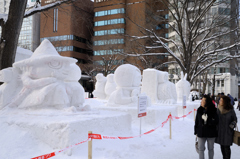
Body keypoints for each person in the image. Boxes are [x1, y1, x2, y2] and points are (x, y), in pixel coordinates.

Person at [194, 95, 219, 159]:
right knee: (201, 149)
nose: (201, 102)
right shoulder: (199, 110)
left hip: (211, 132)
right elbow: (197, 122)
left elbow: (216, 121)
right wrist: (196, 131)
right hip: (201, 132)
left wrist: (208, 120)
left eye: (203, 101)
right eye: (201, 100)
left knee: (210, 149)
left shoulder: (214, 110)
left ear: (207, 102)